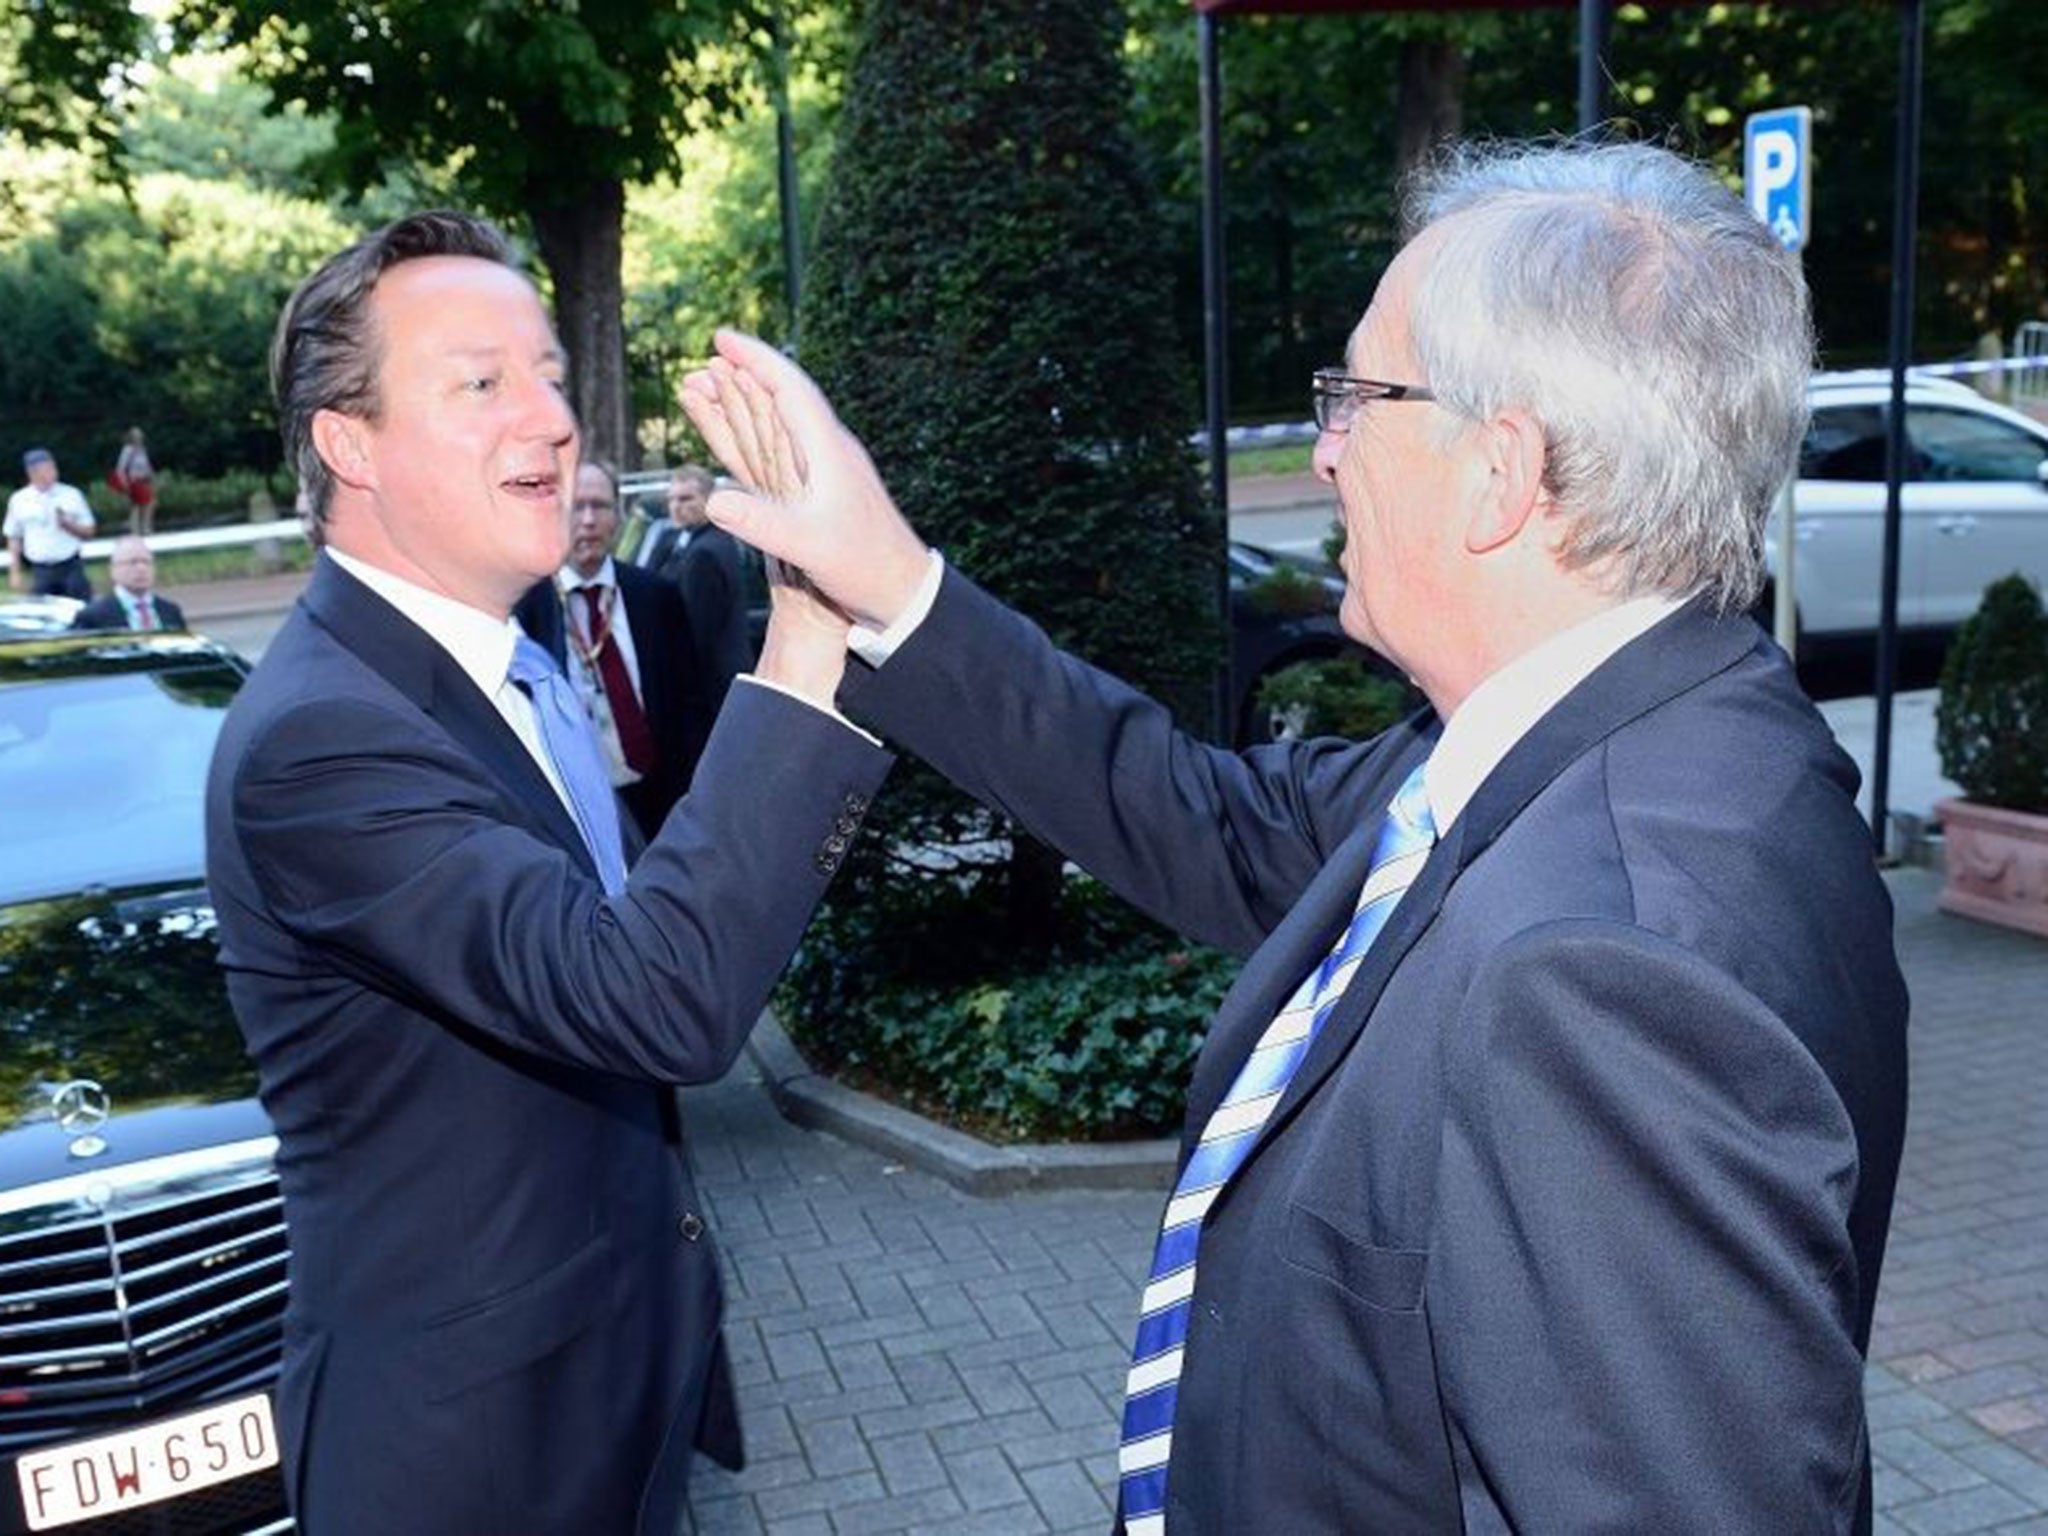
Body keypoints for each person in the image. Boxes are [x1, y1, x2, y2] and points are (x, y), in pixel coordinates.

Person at [685, 140, 1910, 1533]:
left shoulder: (1600, 965)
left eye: (1356, 398)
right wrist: (892, 579)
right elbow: (1201, 817)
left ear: (1501, 470)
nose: (1323, 449)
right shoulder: (1630, 740)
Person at [204, 210, 892, 1536]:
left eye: (553, 376)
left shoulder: (499, 662)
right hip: (473, 1464)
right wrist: (805, 622)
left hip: (609, 1405)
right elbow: (659, 998)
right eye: (482, 382)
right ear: (349, 443)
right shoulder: (320, 741)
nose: (555, 418)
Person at [514, 459, 713, 839]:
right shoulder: (525, 607)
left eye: (601, 506)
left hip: (659, 803)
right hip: (574, 811)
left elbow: (690, 705)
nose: (588, 520)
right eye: (577, 506)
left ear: (619, 516)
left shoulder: (657, 595)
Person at [649, 461, 752, 716]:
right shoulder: (687, 541)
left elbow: (696, 633)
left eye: (686, 499)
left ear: (708, 499)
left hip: (710, 688)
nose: (676, 506)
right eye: (671, 499)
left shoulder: (704, 552)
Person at [5, 448, 95, 599]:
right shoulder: (19, 500)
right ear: (32, 473)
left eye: (53, 467)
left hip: (70, 566)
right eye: (45, 469)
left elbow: (90, 531)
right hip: (40, 570)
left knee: (81, 610)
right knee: (43, 613)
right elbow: (13, 536)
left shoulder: (71, 495)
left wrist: (68, 525)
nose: (52, 472)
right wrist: (15, 572)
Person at [71, 535, 183, 631]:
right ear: (113, 570)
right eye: (132, 562)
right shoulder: (93, 616)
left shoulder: (171, 611)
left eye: (146, 562)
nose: (141, 568)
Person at [113, 426, 157, 536]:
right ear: (132, 437)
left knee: (143, 504)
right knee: (143, 504)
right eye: (137, 435)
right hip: (133, 481)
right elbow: (120, 468)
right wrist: (124, 482)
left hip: (144, 480)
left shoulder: (142, 449)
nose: (140, 437)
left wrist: (151, 476)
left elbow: (146, 464)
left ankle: (141, 528)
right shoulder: (128, 450)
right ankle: (141, 529)